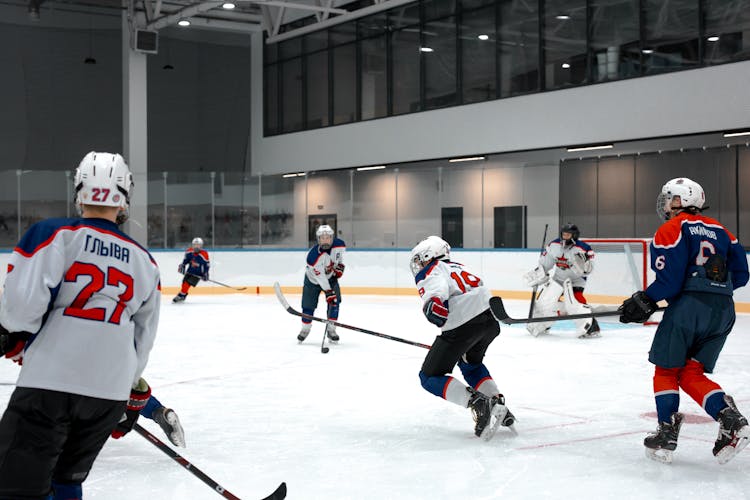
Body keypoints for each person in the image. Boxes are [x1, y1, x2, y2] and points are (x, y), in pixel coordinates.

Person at [0, 151, 161, 499]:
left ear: (79, 189)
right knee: (67, 480)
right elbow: (143, 340)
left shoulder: (53, 234)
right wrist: (126, 388)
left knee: (16, 486)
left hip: (50, 384)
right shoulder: (145, 261)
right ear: (124, 197)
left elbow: (22, 305)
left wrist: (16, 337)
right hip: (109, 393)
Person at [618, 177, 749, 464]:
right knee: (691, 372)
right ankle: (730, 419)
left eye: (668, 198)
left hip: (689, 309)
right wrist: (710, 289)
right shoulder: (724, 231)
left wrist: (645, 300)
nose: (665, 204)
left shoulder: (672, 228)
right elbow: (741, 275)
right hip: (724, 310)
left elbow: (670, 280)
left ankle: (666, 432)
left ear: (679, 201)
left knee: (666, 369)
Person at [410, 236, 515, 440]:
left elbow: (436, 290)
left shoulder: (432, 270)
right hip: (489, 321)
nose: (419, 265)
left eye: (420, 260)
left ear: (429, 255)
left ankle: (477, 402)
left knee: (429, 377)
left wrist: (433, 304)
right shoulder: (459, 266)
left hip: (463, 326)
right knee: (471, 365)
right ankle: (496, 401)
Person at [522, 223, 600, 339]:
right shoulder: (554, 245)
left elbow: (589, 269)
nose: (565, 237)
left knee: (576, 302)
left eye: (568, 235)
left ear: (574, 235)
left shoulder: (584, 248)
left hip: (576, 281)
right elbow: (546, 263)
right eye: (563, 234)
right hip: (558, 279)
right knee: (545, 302)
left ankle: (591, 326)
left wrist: (584, 266)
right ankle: (544, 324)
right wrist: (540, 273)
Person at [298, 225, 346, 343]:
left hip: (330, 278)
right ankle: (305, 329)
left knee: (335, 302)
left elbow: (339, 259)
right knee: (308, 305)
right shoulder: (313, 256)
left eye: (328, 237)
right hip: (313, 280)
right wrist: (329, 291)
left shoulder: (340, 245)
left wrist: (339, 267)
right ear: (318, 239)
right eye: (322, 238)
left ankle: (331, 329)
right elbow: (320, 277)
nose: (325, 240)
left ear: (332, 237)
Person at [173, 237, 210, 303]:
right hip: (189, 271)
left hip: (198, 274)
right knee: (184, 283)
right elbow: (186, 260)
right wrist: (183, 265)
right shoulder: (189, 252)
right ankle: (183, 296)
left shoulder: (204, 254)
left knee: (187, 284)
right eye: (195, 245)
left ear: (201, 246)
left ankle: (180, 295)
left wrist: (206, 273)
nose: (196, 247)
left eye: (198, 245)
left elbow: (207, 265)